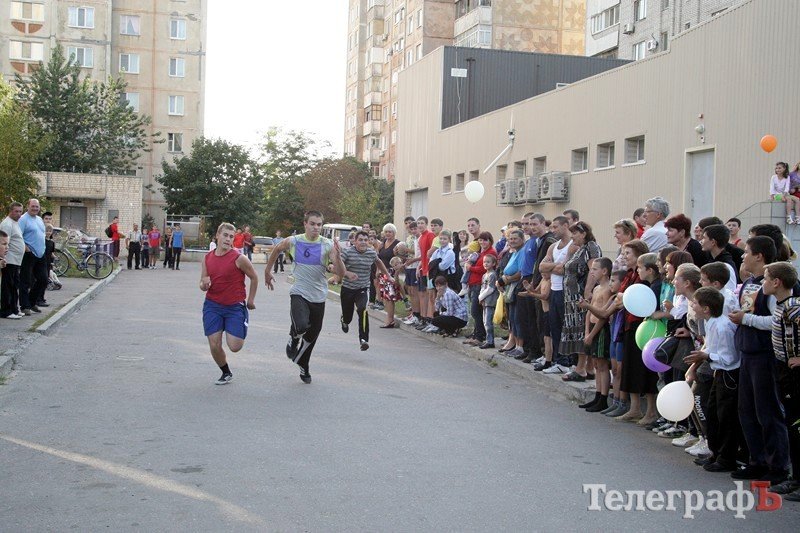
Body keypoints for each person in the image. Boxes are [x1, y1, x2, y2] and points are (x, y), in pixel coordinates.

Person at [728, 236, 789, 485]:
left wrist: (746, 320)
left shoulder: (773, 284)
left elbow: (777, 319)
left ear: (759, 256)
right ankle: (757, 460)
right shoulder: (751, 282)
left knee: (768, 412)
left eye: (747, 252)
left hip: (765, 355)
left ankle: (777, 466)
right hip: (748, 353)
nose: (743, 256)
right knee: (747, 411)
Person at [264, 211, 345, 384]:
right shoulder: (294, 241)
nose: (316, 227)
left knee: (311, 337)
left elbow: (340, 273)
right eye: (313, 224)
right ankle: (293, 337)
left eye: (319, 224)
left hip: (319, 296)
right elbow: (277, 249)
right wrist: (267, 271)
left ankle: (303, 363)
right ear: (305, 224)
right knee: (300, 326)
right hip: (299, 292)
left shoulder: (328, 244)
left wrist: (337, 258)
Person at [683, 286, 741, 473]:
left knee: (726, 418)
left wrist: (706, 356)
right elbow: (712, 349)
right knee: (714, 414)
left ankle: (727, 458)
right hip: (719, 373)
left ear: (706, 308)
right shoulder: (710, 323)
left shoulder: (723, 326)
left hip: (728, 375)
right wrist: (703, 354)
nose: (692, 305)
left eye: (695, 304)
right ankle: (716, 453)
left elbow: (729, 357)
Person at [200, 223, 258, 385]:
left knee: (235, 346)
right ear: (217, 235)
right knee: (214, 344)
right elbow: (202, 282)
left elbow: (254, 277)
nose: (228, 239)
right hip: (213, 305)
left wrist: (250, 300)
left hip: (234, 306)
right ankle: (225, 372)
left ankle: (240, 322)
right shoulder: (207, 258)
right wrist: (203, 285)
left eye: (231, 237)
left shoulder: (239, 258)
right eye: (225, 235)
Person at [761, 261, 800, 499]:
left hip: (794, 373)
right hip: (783, 370)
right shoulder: (781, 305)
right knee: (791, 425)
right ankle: (795, 479)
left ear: (777, 282)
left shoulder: (793, 306)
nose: (763, 283)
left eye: (766, 278)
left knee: (796, 427)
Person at [339, 230, 392, 350]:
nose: (363, 242)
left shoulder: (371, 253)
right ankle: (344, 320)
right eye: (360, 240)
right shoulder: (347, 252)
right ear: (355, 241)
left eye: (365, 240)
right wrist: (347, 273)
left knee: (362, 309)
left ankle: (363, 339)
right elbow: (338, 266)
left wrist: (388, 276)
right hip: (347, 288)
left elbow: (379, 262)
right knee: (348, 316)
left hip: (362, 288)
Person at [539, 216, 576, 372]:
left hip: (565, 291)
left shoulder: (572, 245)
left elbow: (564, 269)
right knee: (554, 327)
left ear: (566, 226)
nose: (552, 230)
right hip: (553, 290)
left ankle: (569, 361)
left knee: (566, 327)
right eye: (551, 227)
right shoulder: (552, 247)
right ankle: (558, 361)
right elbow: (542, 267)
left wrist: (551, 267)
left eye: (555, 227)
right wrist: (555, 266)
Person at [463, 231, 497, 345]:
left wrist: (470, 268)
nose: (482, 242)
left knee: (476, 311)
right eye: (480, 240)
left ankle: (480, 336)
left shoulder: (491, 252)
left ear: (490, 241)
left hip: (479, 284)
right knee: (475, 312)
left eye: (485, 240)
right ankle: (476, 333)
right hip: (473, 283)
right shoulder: (480, 252)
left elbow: (483, 269)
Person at [423, 229, 457, 333]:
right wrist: (436, 263)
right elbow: (431, 264)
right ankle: (437, 323)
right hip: (437, 278)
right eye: (441, 239)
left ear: (449, 240)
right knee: (438, 300)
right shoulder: (437, 251)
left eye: (445, 239)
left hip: (447, 279)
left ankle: (446, 325)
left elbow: (443, 266)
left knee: (446, 301)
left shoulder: (450, 252)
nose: (442, 241)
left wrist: (436, 263)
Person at [18, 199, 47, 316]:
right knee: (26, 280)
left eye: (37, 207)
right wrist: (25, 247)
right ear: (28, 206)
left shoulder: (39, 219)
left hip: (41, 254)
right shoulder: (23, 219)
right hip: (29, 254)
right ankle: (24, 306)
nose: (35, 208)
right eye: (33, 206)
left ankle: (32, 301)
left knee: (43, 279)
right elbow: (18, 235)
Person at [0, 203, 24, 319]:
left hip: (16, 260)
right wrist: (3, 259)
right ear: (11, 211)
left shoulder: (15, 223)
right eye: (16, 211)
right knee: (8, 285)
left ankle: (14, 308)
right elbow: (4, 242)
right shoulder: (7, 224)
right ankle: (6, 310)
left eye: (20, 211)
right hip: (9, 259)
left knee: (14, 285)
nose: (19, 214)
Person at [477, 254, 499, 349]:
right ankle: (488, 340)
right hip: (484, 301)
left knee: (488, 322)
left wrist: (481, 297)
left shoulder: (492, 275)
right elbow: (483, 287)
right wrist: (480, 298)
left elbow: (490, 289)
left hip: (490, 301)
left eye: (488, 262)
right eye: (484, 262)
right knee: (484, 321)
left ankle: (490, 341)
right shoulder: (484, 275)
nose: (485, 264)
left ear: (493, 263)